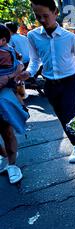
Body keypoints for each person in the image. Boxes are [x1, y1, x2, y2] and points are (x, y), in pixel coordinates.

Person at [15, 0, 75, 164]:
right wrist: (28, 73)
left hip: (68, 82)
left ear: (56, 12)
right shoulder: (32, 36)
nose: (42, 20)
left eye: (45, 15)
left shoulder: (70, 37)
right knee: (63, 118)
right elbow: (35, 60)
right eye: (38, 16)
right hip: (49, 84)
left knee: (69, 114)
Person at [0, 24, 29, 184]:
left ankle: (11, 164)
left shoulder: (5, 52)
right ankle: (6, 156)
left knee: (7, 132)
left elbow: (18, 66)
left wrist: (12, 75)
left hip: (5, 97)